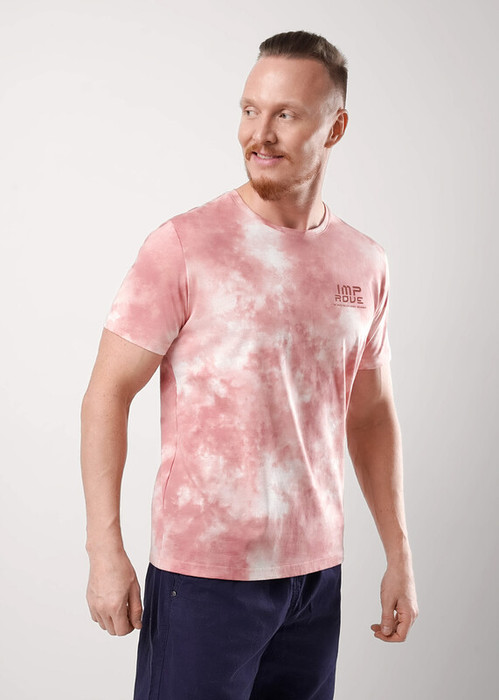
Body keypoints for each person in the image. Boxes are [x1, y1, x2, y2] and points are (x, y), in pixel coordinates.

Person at [81, 30, 418, 700]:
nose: (259, 134)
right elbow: (107, 393)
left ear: (335, 127)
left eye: (285, 115)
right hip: (205, 576)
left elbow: (371, 413)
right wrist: (104, 551)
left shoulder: (364, 262)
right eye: (249, 110)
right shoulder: (185, 245)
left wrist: (398, 553)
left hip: (315, 578)